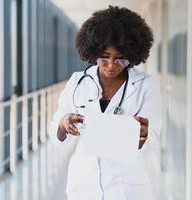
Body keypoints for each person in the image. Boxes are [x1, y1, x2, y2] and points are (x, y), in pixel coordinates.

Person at [49, 6, 162, 200]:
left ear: (132, 55)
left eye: (120, 59)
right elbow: (56, 128)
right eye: (104, 57)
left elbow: (152, 137)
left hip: (127, 187)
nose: (111, 65)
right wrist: (63, 123)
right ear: (93, 52)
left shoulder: (146, 85)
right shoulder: (78, 81)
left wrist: (144, 134)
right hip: (83, 184)